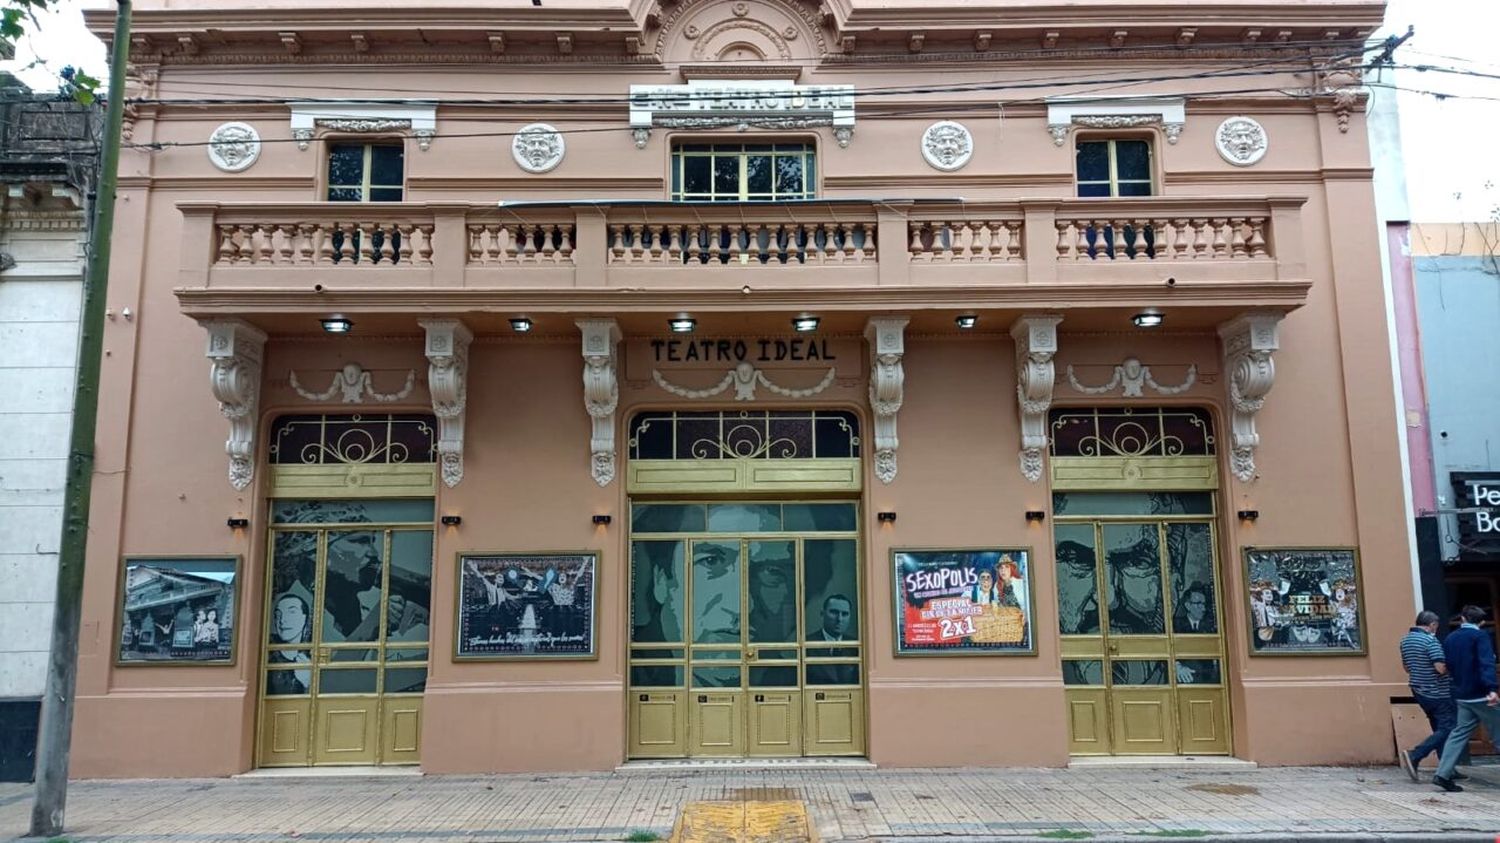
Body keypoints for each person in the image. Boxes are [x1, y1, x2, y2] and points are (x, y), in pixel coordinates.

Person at [1432, 605, 1499, 792]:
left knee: (1458, 734)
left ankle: (1443, 773)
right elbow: (1486, 663)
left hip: (1461, 693)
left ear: (1462, 619)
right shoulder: (1480, 636)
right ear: (1482, 622)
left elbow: (1449, 664)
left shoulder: (1451, 638)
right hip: (1480, 694)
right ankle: (1442, 775)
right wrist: (1492, 688)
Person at [1398, 610, 1462, 782]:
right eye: (1436, 626)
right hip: (1437, 691)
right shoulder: (1430, 640)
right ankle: (1415, 755)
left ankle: (1446, 768)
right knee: (1449, 727)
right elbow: (1440, 668)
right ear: (1432, 624)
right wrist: (1454, 666)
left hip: (1419, 690)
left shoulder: (1405, 641)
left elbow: (1407, 667)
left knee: (1439, 727)